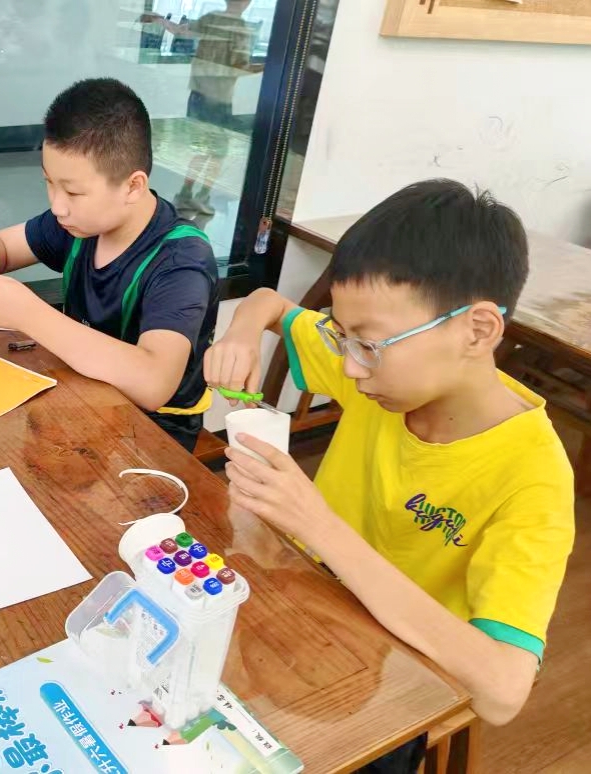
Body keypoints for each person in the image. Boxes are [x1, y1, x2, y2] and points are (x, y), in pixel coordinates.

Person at [206, 181, 574, 754]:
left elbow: (504, 692)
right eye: (342, 337)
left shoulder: (533, 477)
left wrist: (318, 525)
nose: (351, 369)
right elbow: (270, 305)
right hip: (297, 614)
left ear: (478, 330)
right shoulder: (385, 380)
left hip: (392, 682)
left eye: (369, 345)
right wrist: (242, 334)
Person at [0, 78, 219, 452]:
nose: (57, 205)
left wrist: (26, 313)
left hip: (151, 437)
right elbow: (0, 245)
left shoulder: (182, 260)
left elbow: (153, 382)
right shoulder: (79, 223)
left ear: (132, 186)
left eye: (73, 191)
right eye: (49, 183)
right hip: (78, 401)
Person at [143, 1, 261, 217]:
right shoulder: (241, 29)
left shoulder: (211, 18)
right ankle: (202, 197)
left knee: (199, 147)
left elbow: (181, 31)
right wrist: (268, 67)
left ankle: (185, 192)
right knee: (217, 152)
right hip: (219, 99)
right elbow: (239, 66)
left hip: (197, 94)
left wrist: (159, 19)